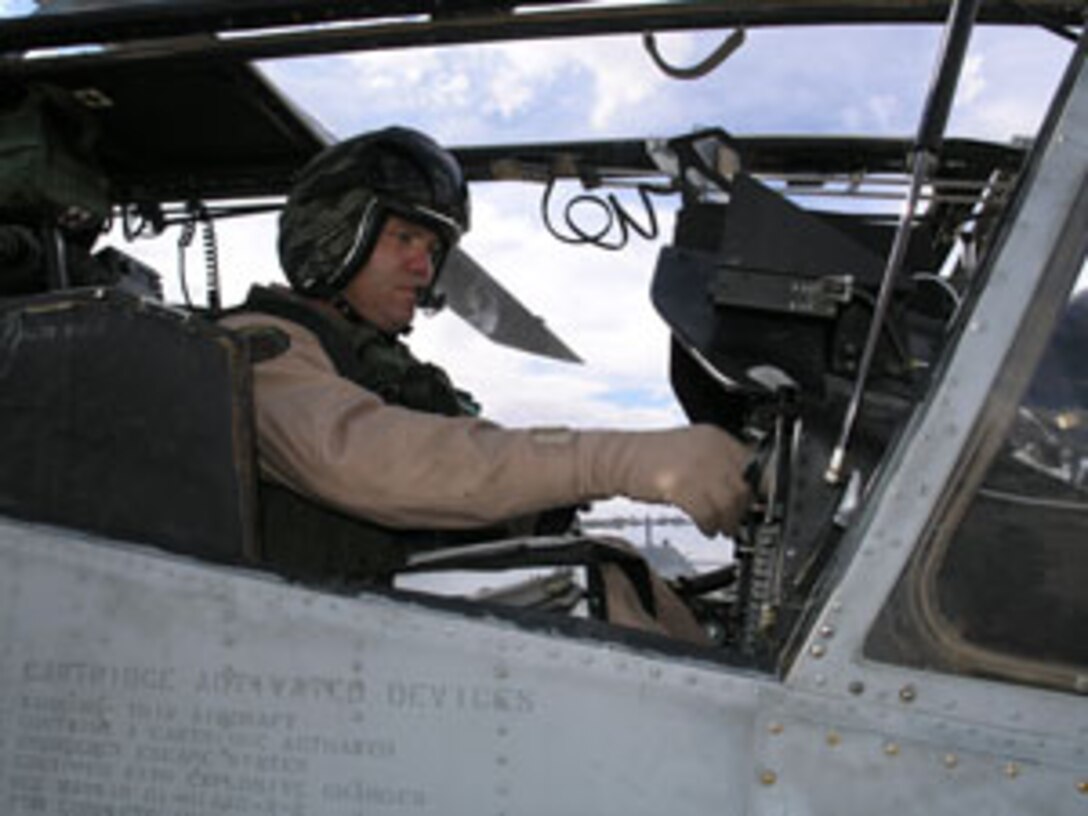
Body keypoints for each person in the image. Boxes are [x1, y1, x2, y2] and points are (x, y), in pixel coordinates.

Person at [223, 126, 752, 637]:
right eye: (404, 237)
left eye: (432, 250)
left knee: (616, 561)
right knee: (591, 591)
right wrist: (615, 461)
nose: (423, 268)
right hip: (319, 635)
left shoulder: (386, 370)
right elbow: (378, 461)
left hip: (381, 618)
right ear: (335, 234)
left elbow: (476, 466)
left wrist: (549, 502)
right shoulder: (257, 348)